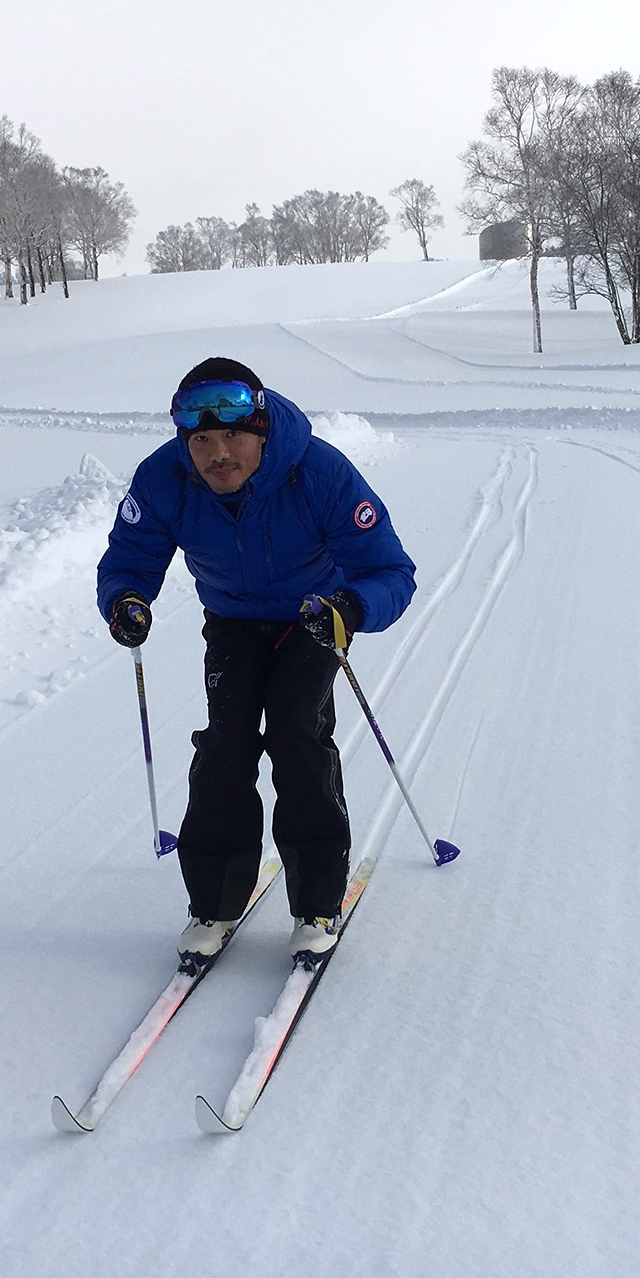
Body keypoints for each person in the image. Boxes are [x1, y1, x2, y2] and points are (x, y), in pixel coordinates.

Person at [97, 357, 416, 962]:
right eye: (203, 440)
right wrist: (126, 600)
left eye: (235, 435)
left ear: (262, 430)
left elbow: (390, 570)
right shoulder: (163, 479)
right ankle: (214, 903)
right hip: (232, 622)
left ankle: (318, 901)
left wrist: (350, 606)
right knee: (226, 746)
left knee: (299, 736)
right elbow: (129, 557)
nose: (220, 453)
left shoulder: (318, 472)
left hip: (311, 620)